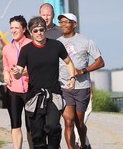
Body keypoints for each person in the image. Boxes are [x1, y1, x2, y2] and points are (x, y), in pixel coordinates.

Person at [11, 16, 75, 148]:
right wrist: (16, 73)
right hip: (34, 96)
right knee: (37, 134)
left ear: (45, 30)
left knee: (53, 127)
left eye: (41, 30)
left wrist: (72, 78)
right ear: (30, 32)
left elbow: (69, 62)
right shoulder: (26, 50)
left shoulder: (56, 45)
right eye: (35, 31)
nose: (39, 33)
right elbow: (18, 73)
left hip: (53, 94)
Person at [57, 13, 105, 149]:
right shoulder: (57, 43)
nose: (63, 24)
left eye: (67, 22)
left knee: (79, 123)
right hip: (64, 87)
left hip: (82, 87)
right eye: (61, 22)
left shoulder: (86, 41)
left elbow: (100, 62)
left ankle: (83, 144)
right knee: (68, 121)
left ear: (74, 24)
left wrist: (82, 71)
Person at [2, 15, 33, 149]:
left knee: (31, 125)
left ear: (24, 29)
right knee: (15, 123)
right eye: (11, 28)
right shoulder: (7, 48)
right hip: (13, 90)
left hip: (30, 88)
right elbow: (6, 66)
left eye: (16, 28)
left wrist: (27, 72)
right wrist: (6, 74)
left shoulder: (31, 45)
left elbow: (38, 66)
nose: (13, 30)